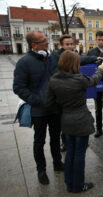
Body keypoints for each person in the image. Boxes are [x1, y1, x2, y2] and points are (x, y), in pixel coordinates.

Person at [46, 50, 103, 193]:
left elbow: (49, 103)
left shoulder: (53, 79)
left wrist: (62, 110)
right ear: (74, 63)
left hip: (65, 120)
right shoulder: (79, 79)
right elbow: (94, 80)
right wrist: (100, 69)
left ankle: (69, 183)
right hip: (81, 121)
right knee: (79, 154)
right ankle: (78, 185)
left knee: (70, 152)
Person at [13, 31, 63, 185]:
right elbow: (18, 87)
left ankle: (57, 163)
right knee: (39, 141)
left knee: (55, 138)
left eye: (46, 39)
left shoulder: (53, 57)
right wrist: (36, 100)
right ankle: (41, 170)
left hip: (55, 108)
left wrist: (96, 59)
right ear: (34, 45)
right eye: (43, 40)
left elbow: (75, 60)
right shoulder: (24, 62)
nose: (47, 42)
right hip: (39, 110)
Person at [52, 34, 102, 152]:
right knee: (64, 120)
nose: (70, 46)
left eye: (71, 44)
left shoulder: (74, 56)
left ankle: (79, 142)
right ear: (61, 45)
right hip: (63, 95)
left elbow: (82, 59)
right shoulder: (57, 57)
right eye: (67, 44)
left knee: (77, 119)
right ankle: (65, 142)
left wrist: (95, 58)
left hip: (76, 95)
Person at [87, 31, 103, 138]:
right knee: (98, 108)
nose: (101, 41)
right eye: (99, 39)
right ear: (96, 40)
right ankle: (99, 128)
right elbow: (88, 66)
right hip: (96, 83)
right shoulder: (91, 52)